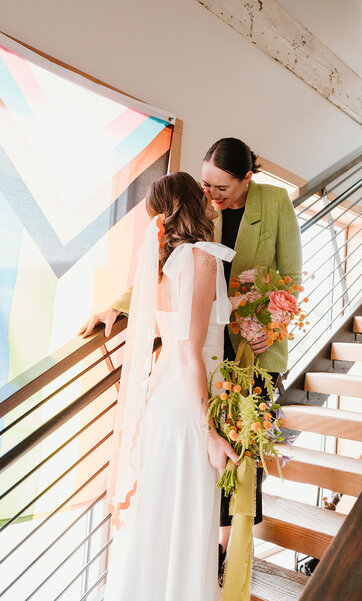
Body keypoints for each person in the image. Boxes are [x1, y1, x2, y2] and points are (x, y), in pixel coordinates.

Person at [81, 138, 302, 582]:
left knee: (240, 465)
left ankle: (222, 553)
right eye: (205, 185)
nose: (212, 195)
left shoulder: (275, 204)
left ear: (247, 179)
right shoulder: (200, 235)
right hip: (201, 358)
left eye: (222, 187)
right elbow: (166, 268)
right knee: (199, 472)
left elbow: (291, 280)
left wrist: (269, 323)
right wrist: (121, 306)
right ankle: (197, 561)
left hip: (248, 355)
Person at [102, 172, 239, 601]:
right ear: (189, 203)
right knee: (185, 518)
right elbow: (188, 350)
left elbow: (184, 327)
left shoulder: (169, 261)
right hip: (187, 408)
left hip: (166, 401)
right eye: (200, 190)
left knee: (161, 517)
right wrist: (211, 433)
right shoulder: (200, 259)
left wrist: (243, 303)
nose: (207, 195)